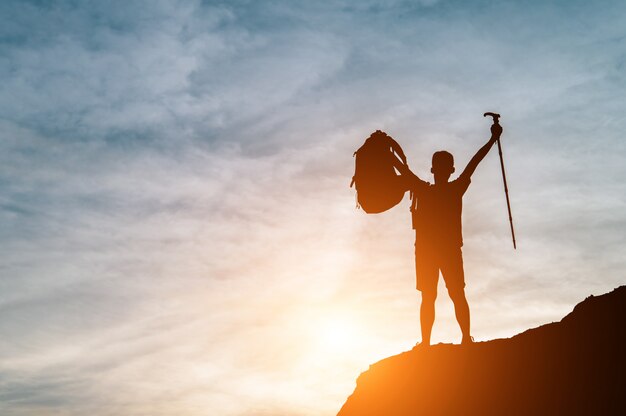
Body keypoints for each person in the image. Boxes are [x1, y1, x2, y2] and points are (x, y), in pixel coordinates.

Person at [410, 122, 503, 346]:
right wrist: (492, 140)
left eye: (443, 166)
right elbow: (473, 163)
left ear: (440, 170)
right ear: (447, 169)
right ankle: (460, 339)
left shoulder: (430, 189)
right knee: (451, 295)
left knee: (434, 296)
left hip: (433, 251)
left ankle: (430, 342)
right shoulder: (453, 188)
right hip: (440, 250)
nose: (441, 170)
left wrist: (491, 141)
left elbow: (404, 172)